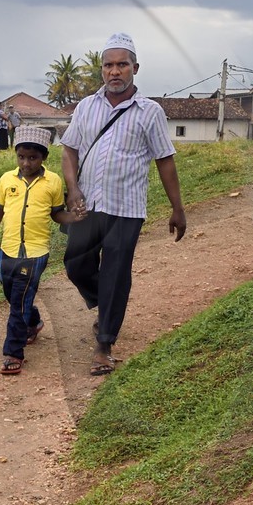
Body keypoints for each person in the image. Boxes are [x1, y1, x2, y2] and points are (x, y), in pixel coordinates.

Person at [61, 32, 186, 377]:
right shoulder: (86, 107)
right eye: (108, 65)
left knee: (116, 272)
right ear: (101, 69)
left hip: (126, 208)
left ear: (135, 68)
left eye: (122, 65)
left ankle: (104, 344)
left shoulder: (150, 112)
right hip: (87, 205)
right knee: (75, 265)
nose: (114, 71)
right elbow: (69, 150)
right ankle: (108, 302)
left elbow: (165, 161)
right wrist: (72, 189)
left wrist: (178, 208)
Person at [0, 126, 72, 375]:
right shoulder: (6, 180)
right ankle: (34, 321)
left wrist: (74, 218)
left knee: (18, 301)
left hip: (35, 252)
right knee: (12, 294)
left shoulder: (52, 181)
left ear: (43, 158)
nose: (26, 162)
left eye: (33, 158)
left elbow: (57, 214)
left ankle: (13, 352)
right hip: (8, 249)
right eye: (21, 157)